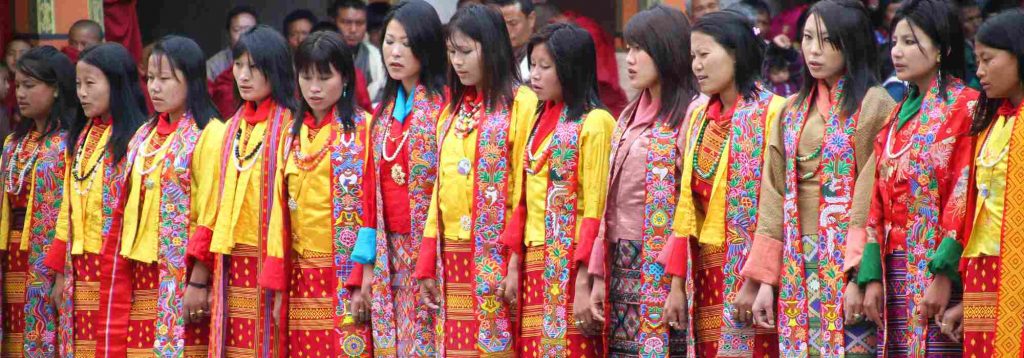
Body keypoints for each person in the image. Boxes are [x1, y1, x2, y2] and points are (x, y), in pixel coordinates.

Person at [734, 1, 897, 356]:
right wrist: (765, 280)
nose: (813, 49)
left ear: (852, 43)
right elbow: (773, 194)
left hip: (847, 260)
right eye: (807, 38)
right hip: (796, 261)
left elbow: (872, 197)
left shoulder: (874, 104)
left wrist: (858, 274)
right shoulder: (791, 109)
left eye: (827, 40)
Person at [658, 10, 786, 357]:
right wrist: (676, 284)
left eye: (704, 55)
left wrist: (759, 279)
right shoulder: (698, 115)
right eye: (692, 57)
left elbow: (778, 203)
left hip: (752, 270)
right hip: (704, 272)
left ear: (736, 53)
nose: (696, 66)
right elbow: (685, 206)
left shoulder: (775, 112)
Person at [855, 0, 979, 354]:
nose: (897, 51)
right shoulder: (897, 116)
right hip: (894, 270)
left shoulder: (965, 106)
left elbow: (964, 193)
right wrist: (872, 274)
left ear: (943, 48)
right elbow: (876, 199)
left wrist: (943, 275)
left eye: (910, 42)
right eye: (895, 42)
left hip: (938, 270)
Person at [413, 5, 536, 356]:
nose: (457, 61)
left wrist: (513, 259)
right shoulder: (450, 112)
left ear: (492, 47)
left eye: (466, 51)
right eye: (451, 52)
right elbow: (440, 191)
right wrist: (426, 261)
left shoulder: (522, 104)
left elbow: (523, 187)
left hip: (496, 255)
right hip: (451, 256)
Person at [587, 5, 703, 356]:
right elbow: (610, 201)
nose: (630, 59)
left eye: (640, 49)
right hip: (621, 259)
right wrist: (598, 272)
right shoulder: (627, 115)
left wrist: (677, 279)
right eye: (629, 48)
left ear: (666, 51)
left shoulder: (690, 115)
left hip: (664, 265)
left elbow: (692, 204)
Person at [100, 35, 224, 357]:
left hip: (183, 276)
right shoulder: (143, 134)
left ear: (192, 80)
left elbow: (211, 212)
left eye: (165, 79)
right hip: (142, 275)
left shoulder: (209, 132)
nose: (154, 87)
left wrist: (198, 281)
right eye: (150, 78)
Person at [498, 22, 613, 356]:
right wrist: (514, 264)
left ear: (571, 68)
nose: (535, 74)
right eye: (532, 65)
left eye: (545, 67)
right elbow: (521, 201)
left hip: (569, 265)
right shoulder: (536, 120)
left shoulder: (595, 122)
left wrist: (582, 282)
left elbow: (595, 209)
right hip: (536, 260)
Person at [184, 25, 295, 357]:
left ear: (275, 69)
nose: (243, 76)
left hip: (275, 267)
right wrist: (198, 280)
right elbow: (211, 210)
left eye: (254, 67)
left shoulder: (291, 125)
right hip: (229, 269)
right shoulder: (229, 129)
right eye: (238, 65)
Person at [346, 1, 447, 355]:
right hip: (391, 253)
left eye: (407, 43)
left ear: (428, 46)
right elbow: (370, 198)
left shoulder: (444, 107)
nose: (395, 52)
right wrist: (366, 267)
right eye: (389, 42)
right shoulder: (382, 113)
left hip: (435, 251)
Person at [44, 42, 147, 357]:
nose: (82, 93)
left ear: (116, 84)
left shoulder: (138, 138)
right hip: (79, 267)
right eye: (78, 84)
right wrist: (60, 271)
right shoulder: (81, 136)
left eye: (91, 83)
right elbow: (67, 208)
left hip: (119, 267)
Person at [281, 30, 376, 357]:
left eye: (324, 77)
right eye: (306, 78)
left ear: (346, 77)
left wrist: (362, 275)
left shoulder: (365, 130)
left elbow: (372, 210)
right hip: (300, 279)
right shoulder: (289, 135)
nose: (314, 88)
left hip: (345, 273)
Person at [0, 46, 78, 357]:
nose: (21, 93)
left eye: (30, 86)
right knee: (14, 333)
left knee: (47, 333)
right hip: (13, 255)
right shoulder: (13, 143)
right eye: (18, 85)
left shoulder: (71, 142)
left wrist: (61, 267)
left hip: (50, 255)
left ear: (57, 89)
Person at [959, 9, 1024, 356]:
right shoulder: (990, 123)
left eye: (987, 59)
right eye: (977, 60)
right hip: (983, 268)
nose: (980, 71)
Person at [330, 0, 386, 103]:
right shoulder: (323, 55)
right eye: (347, 22)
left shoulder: (376, 57)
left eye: (359, 23)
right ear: (334, 22)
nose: (353, 29)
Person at [206, 5, 258, 82]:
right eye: (237, 30)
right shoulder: (215, 65)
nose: (243, 35)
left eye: (249, 30)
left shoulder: (269, 60)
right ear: (228, 34)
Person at [489, 0, 536, 79]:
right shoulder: (495, 54)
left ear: (531, 19)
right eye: (501, 24)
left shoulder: (543, 52)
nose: (506, 30)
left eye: (513, 23)